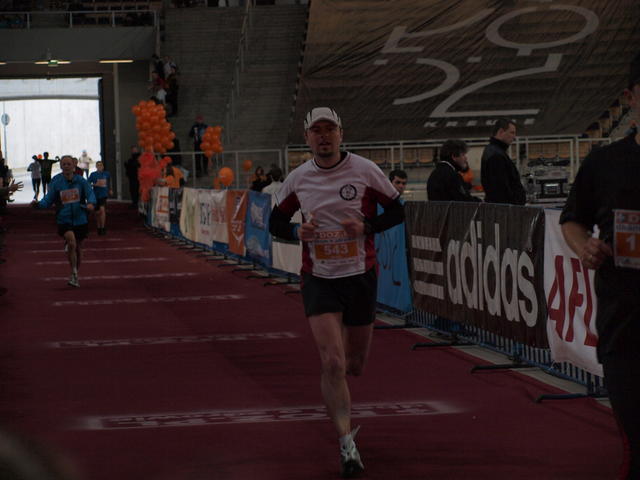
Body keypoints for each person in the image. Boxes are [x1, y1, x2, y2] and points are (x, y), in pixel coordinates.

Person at [268, 107, 404, 478]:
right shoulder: (298, 178)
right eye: (317, 131)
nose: (324, 136)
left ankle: (344, 411)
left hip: (360, 276)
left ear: (341, 134)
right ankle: (346, 444)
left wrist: (367, 227)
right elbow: (275, 222)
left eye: (330, 130)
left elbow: (398, 211)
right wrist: (297, 232)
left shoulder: (364, 170)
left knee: (354, 365)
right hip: (319, 278)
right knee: (332, 362)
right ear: (307, 137)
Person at [560, 55, 640, 480]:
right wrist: (585, 248)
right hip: (625, 324)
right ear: (630, 98)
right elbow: (572, 220)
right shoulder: (604, 162)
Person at [31, 155, 96, 287]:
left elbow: (90, 193)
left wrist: (91, 203)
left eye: (68, 164)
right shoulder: (57, 182)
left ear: (74, 166)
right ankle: (74, 272)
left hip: (80, 218)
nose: (66, 166)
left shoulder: (81, 181)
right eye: (64, 164)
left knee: (78, 248)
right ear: (60, 166)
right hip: (64, 218)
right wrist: (39, 204)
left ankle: (74, 272)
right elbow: (48, 199)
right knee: (72, 242)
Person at [480, 118, 526, 205]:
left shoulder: (495, 152)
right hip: (505, 209)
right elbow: (500, 189)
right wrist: (514, 204)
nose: (514, 137)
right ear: (501, 132)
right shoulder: (496, 155)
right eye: (512, 133)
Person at [88, 161, 112, 235]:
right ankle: (99, 227)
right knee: (97, 212)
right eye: (98, 165)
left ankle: (103, 227)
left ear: (103, 166)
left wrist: (110, 189)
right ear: (96, 166)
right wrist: (94, 185)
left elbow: (109, 181)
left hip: (103, 194)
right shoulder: (93, 174)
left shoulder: (106, 173)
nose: (99, 166)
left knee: (102, 210)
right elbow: (88, 183)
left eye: (101, 165)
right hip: (96, 195)